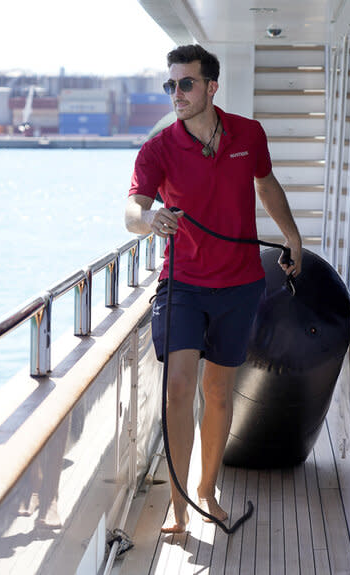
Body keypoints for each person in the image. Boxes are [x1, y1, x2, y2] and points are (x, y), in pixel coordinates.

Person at [125, 44, 302, 534]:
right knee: (180, 387)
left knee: (219, 391)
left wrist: (292, 236)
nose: (176, 94)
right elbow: (131, 210)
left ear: (210, 87)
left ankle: (207, 488)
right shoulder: (158, 149)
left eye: (185, 84)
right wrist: (149, 219)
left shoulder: (248, 133)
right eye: (170, 85)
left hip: (240, 284)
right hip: (182, 283)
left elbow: (266, 186)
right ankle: (180, 507)